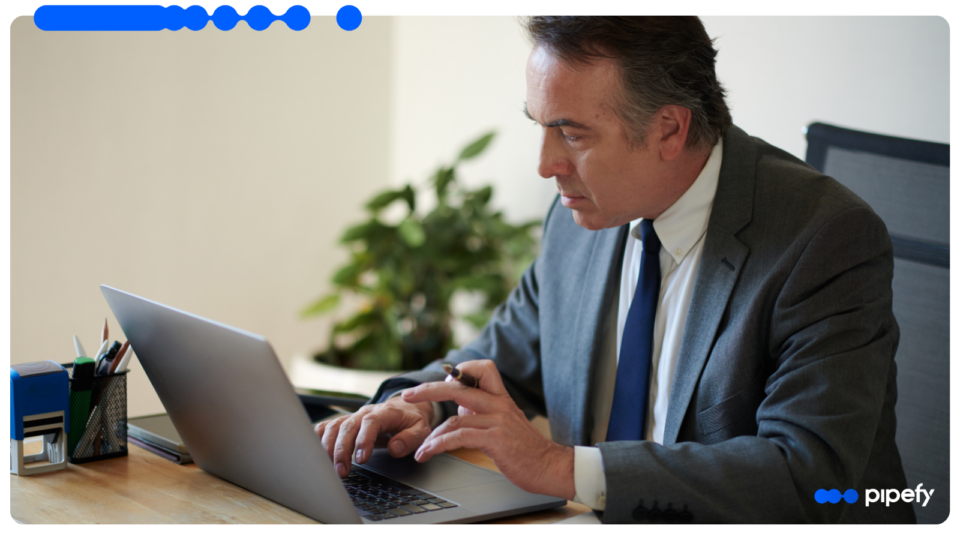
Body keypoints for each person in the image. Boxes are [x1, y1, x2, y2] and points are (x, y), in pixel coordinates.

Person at [314, 16, 914, 524]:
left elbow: (808, 472)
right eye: (540, 126)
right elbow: (496, 363)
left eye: (571, 134)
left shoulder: (824, 237)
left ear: (669, 129)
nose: (547, 165)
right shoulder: (580, 221)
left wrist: (559, 467)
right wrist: (419, 407)